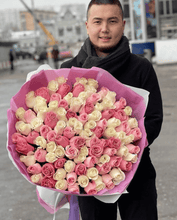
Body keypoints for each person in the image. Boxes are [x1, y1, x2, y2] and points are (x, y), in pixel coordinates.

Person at [61, 0, 163, 220]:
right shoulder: (68, 70)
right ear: (87, 25)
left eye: (112, 21)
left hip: (136, 172)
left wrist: (120, 147)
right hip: (88, 178)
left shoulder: (140, 67)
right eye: (98, 21)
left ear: (123, 24)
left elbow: (154, 119)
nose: (104, 29)